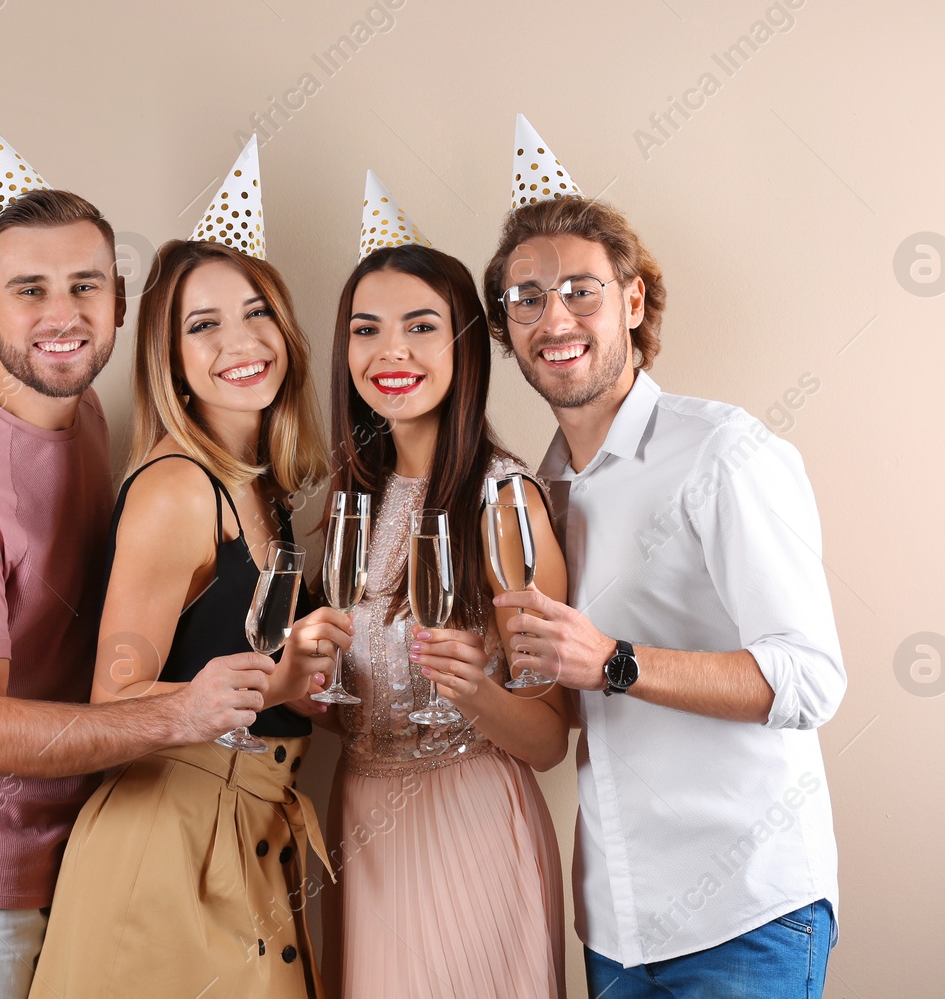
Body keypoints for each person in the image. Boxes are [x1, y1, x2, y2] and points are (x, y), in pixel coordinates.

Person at [0, 114, 276, 999]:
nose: (63, 315)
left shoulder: (82, 416)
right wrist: (181, 712)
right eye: (29, 289)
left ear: (118, 298)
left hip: (47, 852)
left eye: (86, 285)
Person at [485, 116, 845, 997]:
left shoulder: (725, 453)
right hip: (614, 924)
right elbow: (556, 714)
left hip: (748, 917)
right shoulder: (539, 493)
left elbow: (808, 680)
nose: (552, 317)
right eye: (525, 298)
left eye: (580, 290)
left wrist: (611, 660)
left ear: (634, 302)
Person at [29, 136, 353, 999]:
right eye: (202, 325)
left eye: (254, 314)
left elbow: (271, 682)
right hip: (167, 848)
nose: (238, 342)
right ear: (171, 358)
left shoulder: (268, 493)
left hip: (251, 841)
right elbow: (115, 698)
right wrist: (271, 684)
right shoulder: (179, 489)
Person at [315, 172, 572, 998]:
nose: (391, 353)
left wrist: (474, 693)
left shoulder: (505, 501)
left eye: (421, 327)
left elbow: (547, 739)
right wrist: (311, 684)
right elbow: (341, 703)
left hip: (471, 823)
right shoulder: (347, 503)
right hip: (361, 824)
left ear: (464, 344)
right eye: (367, 330)